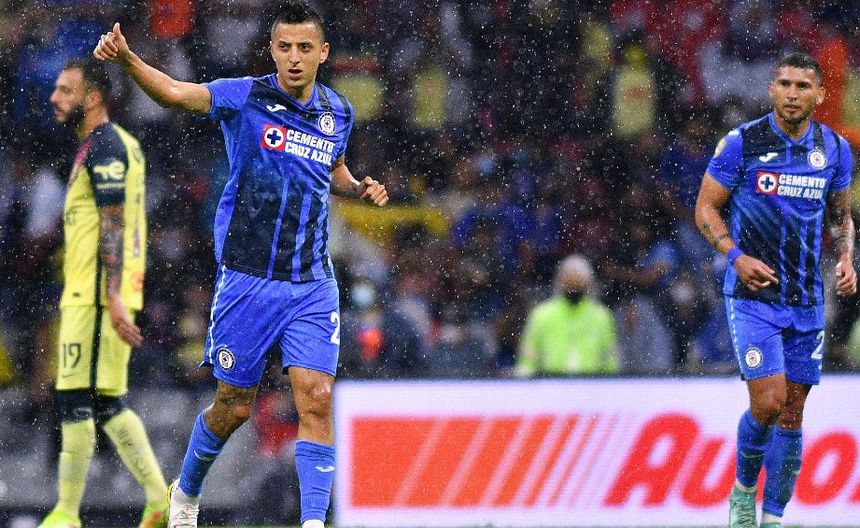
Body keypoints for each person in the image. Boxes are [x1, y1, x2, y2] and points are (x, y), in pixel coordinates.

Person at [93, 3, 389, 528]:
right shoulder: (246, 96)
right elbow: (175, 93)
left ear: (323, 53)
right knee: (233, 408)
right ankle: (186, 490)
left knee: (316, 398)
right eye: (284, 47)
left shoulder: (338, 111)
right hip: (249, 281)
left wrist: (357, 187)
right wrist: (129, 60)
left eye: (304, 48)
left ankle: (313, 522)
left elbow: (333, 169)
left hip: (311, 282)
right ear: (271, 50)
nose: (294, 57)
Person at [694, 52, 856, 528]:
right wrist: (735, 257)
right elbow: (705, 209)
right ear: (771, 89)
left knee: (793, 411)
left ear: (820, 95)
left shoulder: (835, 149)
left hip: (807, 299)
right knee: (768, 403)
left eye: (802, 86)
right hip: (754, 298)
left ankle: (773, 519)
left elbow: (841, 216)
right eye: (784, 83)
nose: (791, 93)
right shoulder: (742, 143)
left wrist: (847, 257)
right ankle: (743, 492)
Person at [38, 58, 169, 528]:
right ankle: (158, 500)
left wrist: (111, 295)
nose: (54, 98)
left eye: (65, 90)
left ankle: (67, 513)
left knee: (75, 399)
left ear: (92, 97)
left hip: (96, 296)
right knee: (105, 401)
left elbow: (113, 222)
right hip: (98, 293)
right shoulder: (118, 144)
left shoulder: (105, 147)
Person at [515, 254, 618, 376]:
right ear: (560, 282)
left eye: (578, 282)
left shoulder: (601, 316)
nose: (574, 286)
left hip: (591, 383)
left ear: (588, 284)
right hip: (551, 382)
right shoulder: (542, 314)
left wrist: (611, 382)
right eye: (570, 282)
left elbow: (610, 360)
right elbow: (527, 360)